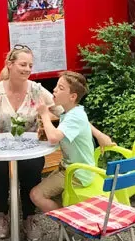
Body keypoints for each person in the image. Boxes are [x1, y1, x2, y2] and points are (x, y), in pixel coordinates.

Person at [0, 45, 58, 241]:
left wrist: (48, 116)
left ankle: (29, 218)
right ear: (10, 65)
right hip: (0, 149)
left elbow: (61, 109)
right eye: (23, 64)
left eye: (30, 65)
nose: (28, 69)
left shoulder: (36, 90)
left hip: (28, 149)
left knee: (32, 168)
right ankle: (1, 215)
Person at [30, 71, 113, 213]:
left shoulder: (74, 116)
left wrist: (44, 114)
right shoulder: (73, 112)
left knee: (36, 195)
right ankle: (71, 214)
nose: (54, 90)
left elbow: (54, 138)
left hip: (77, 173)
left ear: (72, 96)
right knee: (50, 193)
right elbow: (60, 137)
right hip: (73, 169)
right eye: (56, 86)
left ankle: (68, 221)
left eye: (61, 88)